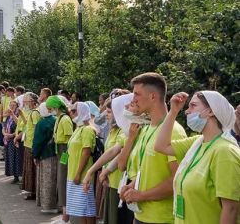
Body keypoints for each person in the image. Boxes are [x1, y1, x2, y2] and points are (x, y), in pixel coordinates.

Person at [155, 91, 240, 224]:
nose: (187, 111)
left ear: (211, 111)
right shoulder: (198, 142)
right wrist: (173, 112)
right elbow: (160, 146)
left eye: (193, 106)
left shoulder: (225, 152)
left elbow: (231, 209)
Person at [120, 73, 187, 224]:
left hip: (161, 219)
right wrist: (131, 187)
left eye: (137, 94)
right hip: (141, 216)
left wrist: (141, 195)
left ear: (152, 96)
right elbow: (150, 172)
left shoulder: (173, 131)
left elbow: (177, 180)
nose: (133, 100)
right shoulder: (146, 129)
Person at [82, 93, 133, 224]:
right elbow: (110, 152)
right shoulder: (116, 130)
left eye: (109, 112)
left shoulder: (126, 131)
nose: (107, 115)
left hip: (121, 182)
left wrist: (104, 171)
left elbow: (117, 153)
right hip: (113, 182)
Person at [65, 102, 97, 223]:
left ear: (82, 112)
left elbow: (86, 152)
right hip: (73, 173)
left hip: (83, 175)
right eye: (71, 111)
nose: (71, 113)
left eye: (74, 111)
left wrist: (78, 173)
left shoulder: (87, 130)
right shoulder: (78, 129)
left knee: (87, 208)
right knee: (81, 209)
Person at [33, 102, 58, 214]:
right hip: (57, 153)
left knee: (46, 180)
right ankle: (58, 204)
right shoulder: (56, 119)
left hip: (45, 154)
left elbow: (38, 141)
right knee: (56, 179)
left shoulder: (41, 123)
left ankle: (48, 206)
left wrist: (35, 155)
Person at [17, 92, 40, 200]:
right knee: (28, 167)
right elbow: (27, 126)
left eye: (27, 101)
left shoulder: (35, 113)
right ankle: (30, 190)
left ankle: (34, 191)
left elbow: (36, 129)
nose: (25, 103)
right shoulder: (30, 112)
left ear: (32, 102)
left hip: (32, 144)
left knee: (31, 169)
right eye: (24, 101)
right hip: (27, 142)